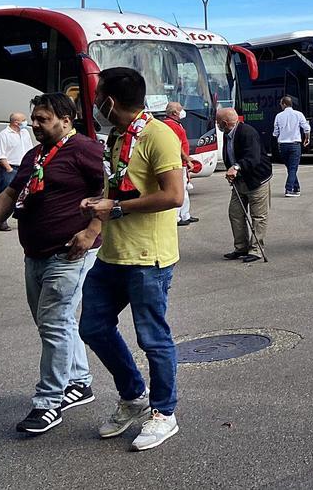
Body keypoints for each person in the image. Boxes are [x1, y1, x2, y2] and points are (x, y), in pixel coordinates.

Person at [0, 93, 102, 434]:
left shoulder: (85, 150)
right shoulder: (35, 155)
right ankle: (79, 381)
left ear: (67, 120)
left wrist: (92, 229)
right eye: (34, 118)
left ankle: (49, 403)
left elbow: (111, 189)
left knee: (53, 323)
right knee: (52, 322)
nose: (34, 125)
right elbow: (9, 195)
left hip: (69, 254)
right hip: (35, 255)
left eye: (43, 119)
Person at [77, 67, 185, 452]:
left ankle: (164, 413)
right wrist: (93, 227)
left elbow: (174, 195)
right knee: (92, 326)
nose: (93, 104)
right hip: (112, 255)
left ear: (109, 100)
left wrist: (117, 208)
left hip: (148, 258)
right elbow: (112, 187)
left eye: (97, 96)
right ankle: (133, 394)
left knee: (153, 338)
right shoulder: (118, 136)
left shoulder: (159, 135)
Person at [221, 107, 272, 263]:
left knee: (258, 216)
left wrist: (236, 167)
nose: (216, 124)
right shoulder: (227, 134)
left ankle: (256, 249)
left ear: (224, 123)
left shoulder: (247, 132)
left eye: (217, 122)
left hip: (257, 179)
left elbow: (253, 157)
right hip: (239, 180)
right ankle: (241, 247)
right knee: (235, 213)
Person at [0, 112, 35, 231]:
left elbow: (30, 150)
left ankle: (25, 219)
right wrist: (9, 169)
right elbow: (0, 155)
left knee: (26, 195)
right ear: (16, 122)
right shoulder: (4, 135)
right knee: (6, 196)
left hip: (24, 168)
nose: (26, 122)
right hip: (10, 169)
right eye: (24, 120)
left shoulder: (25, 133)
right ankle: (2, 221)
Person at [160, 102, 199, 226]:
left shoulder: (175, 124)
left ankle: (185, 214)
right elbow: (176, 145)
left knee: (184, 189)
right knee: (179, 190)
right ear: (174, 113)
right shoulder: (171, 125)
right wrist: (187, 159)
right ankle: (177, 217)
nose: (183, 111)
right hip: (177, 163)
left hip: (181, 162)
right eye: (180, 109)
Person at [273, 96, 310, 197]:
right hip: (295, 144)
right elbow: (306, 128)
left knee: (290, 167)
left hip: (283, 145)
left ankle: (296, 187)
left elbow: (275, 132)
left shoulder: (278, 116)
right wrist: (307, 138)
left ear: (284, 104)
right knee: (293, 168)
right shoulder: (298, 114)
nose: (280, 105)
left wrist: (279, 137)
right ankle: (289, 189)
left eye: (281, 103)